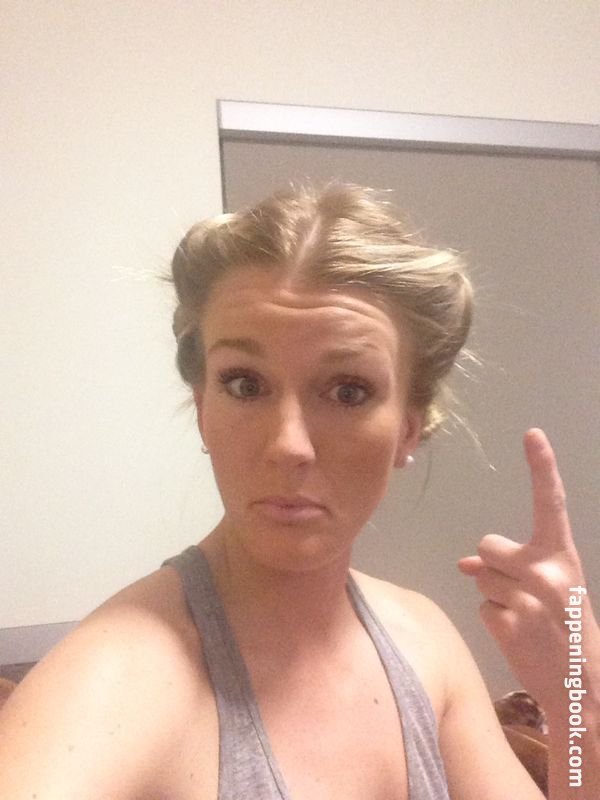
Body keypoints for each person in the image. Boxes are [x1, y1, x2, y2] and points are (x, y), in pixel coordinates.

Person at [0, 181, 598, 799]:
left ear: (407, 428)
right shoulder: (118, 681)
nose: (289, 445)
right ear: (202, 408)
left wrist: (581, 694)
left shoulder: (423, 641)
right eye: (245, 384)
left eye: (348, 391)